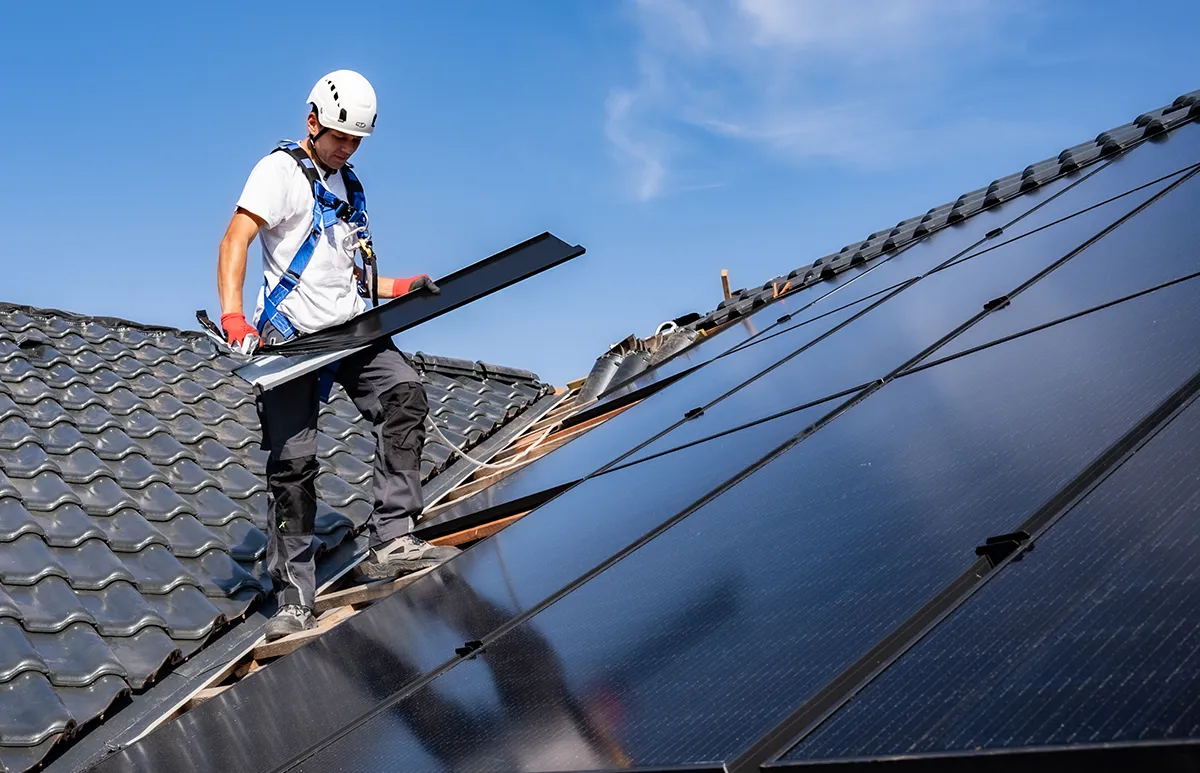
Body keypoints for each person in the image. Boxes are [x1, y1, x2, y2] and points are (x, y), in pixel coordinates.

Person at [216, 70, 459, 641]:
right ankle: (295, 595)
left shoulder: (350, 187)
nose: (347, 149)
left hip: (352, 331)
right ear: (312, 122)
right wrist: (233, 317)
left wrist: (400, 289)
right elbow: (234, 240)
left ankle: (392, 536)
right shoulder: (277, 172)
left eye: (356, 142)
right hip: (294, 339)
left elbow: (351, 276)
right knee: (292, 463)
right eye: (339, 138)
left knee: (405, 394)